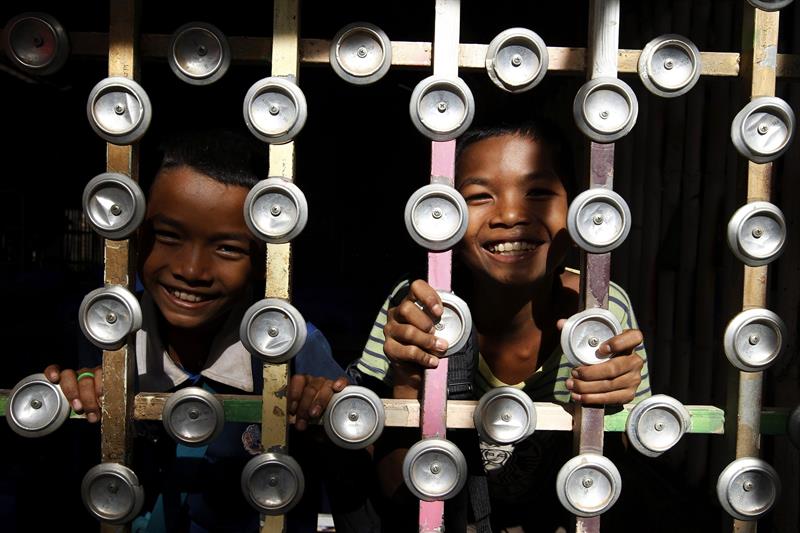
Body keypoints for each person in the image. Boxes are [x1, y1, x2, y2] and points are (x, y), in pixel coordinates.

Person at [42, 129, 361, 533]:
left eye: (227, 248)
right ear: (135, 237)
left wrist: (323, 419)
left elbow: (357, 466)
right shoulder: (108, 335)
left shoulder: (295, 346)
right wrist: (76, 393)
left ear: (264, 261)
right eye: (169, 237)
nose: (191, 271)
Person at [350, 120, 652, 532]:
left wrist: (616, 404)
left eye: (540, 193)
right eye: (479, 196)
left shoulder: (600, 309)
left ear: (580, 213)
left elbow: (623, 486)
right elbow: (396, 491)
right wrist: (406, 384)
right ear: (443, 216)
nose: (510, 215)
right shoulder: (417, 310)